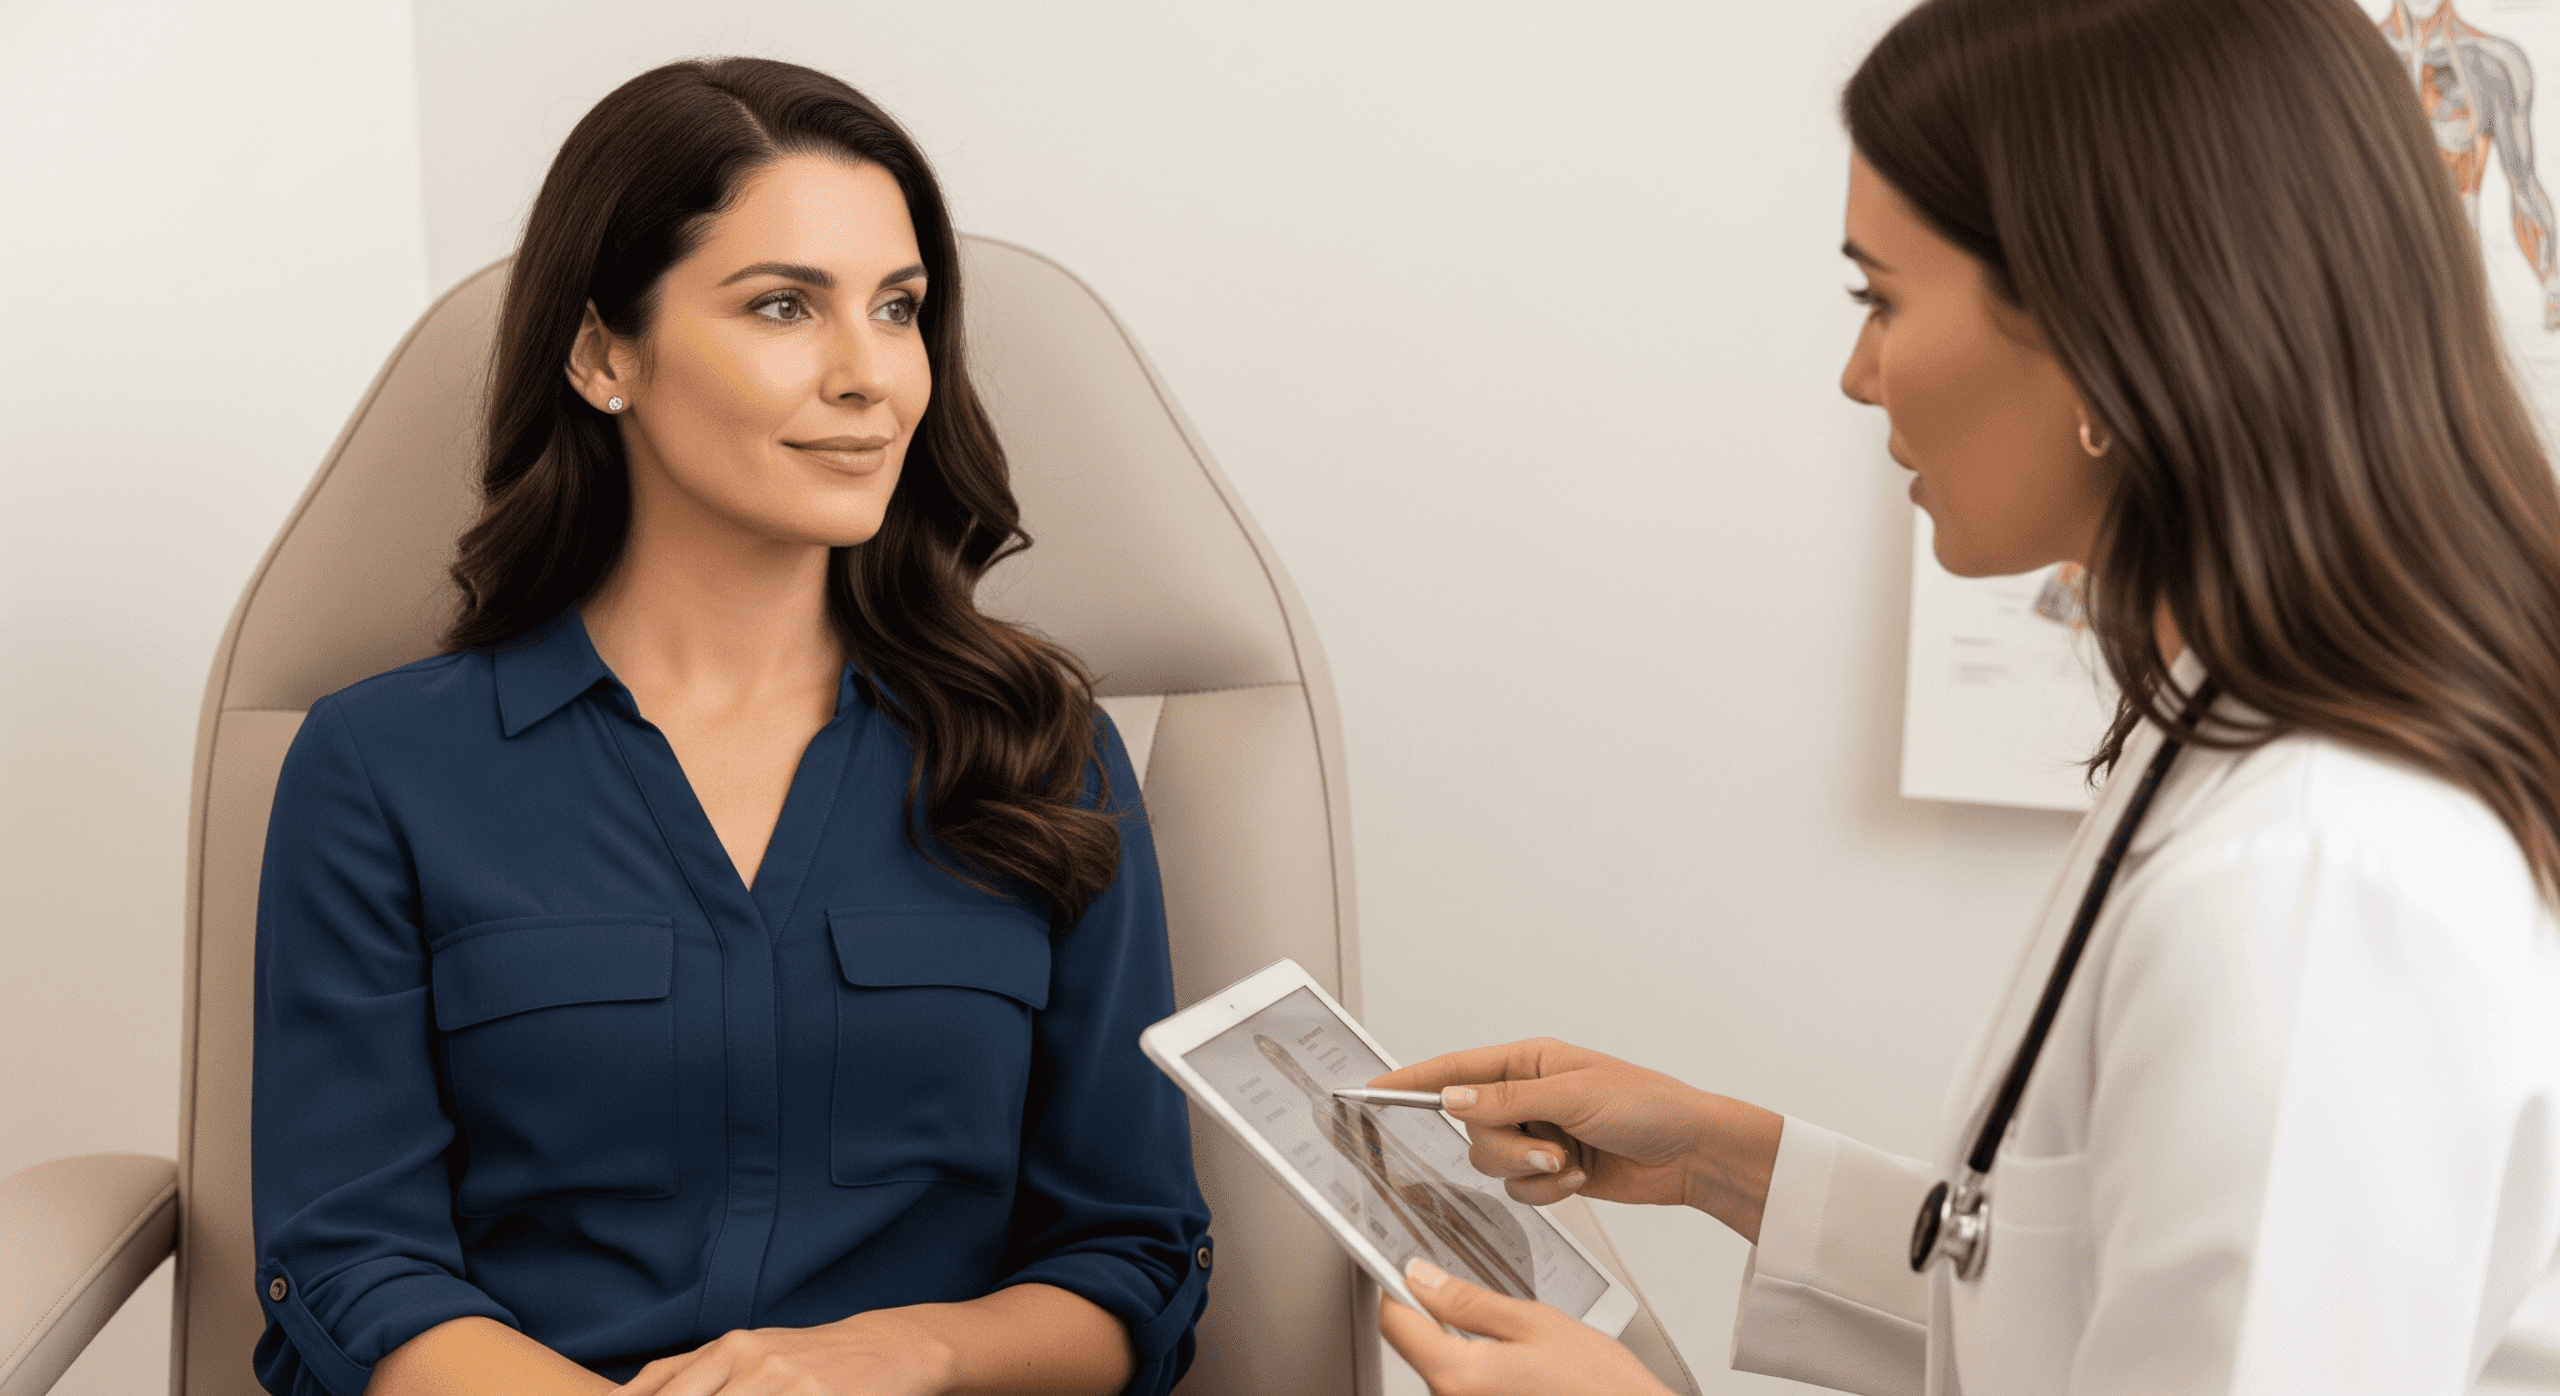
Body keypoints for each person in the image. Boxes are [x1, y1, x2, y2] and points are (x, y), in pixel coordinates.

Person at [1367, 0, 2560, 1392]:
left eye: (1879, 298)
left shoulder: (2306, 878)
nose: (1857, 371)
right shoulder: (2225, 748)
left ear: (2110, 338)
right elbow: (2081, 1297)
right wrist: (1716, 1157)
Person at [249, 58, 1210, 1396]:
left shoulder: (1044, 748)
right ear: (602, 355)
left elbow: (1132, 1254)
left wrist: (903, 1354)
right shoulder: (380, 769)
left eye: (898, 308)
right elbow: (351, 1261)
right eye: (781, 307)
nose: (871, 377)